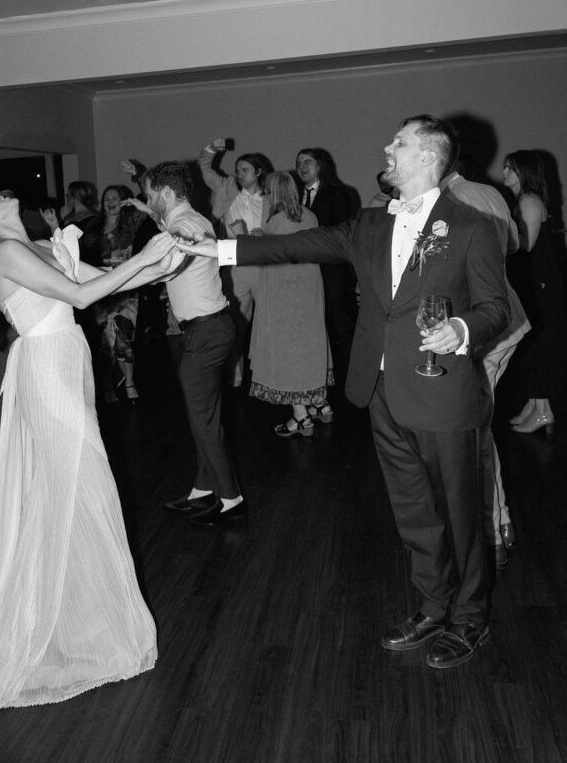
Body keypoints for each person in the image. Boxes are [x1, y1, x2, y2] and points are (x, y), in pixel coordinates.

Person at [182, 116, 510, 669]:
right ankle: (433, 606)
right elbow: (293, 246)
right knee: (413, 511)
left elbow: (496, 308)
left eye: (399, 142)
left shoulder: (473, 227)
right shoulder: (368, 224)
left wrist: (462, 331)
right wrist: (218, 250)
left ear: (429, 158)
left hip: (445, 394)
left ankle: (470, 618)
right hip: (381, 392)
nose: (387, 146)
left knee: (460, 513)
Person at [0, 190, 180, 717]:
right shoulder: (4, 253)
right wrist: (146, 256)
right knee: (80, 485)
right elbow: (84, 299)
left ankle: (75, 613)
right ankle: (69, 619)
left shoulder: (42, 244)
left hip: (67, 361)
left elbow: (96, 283)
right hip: (47, 371)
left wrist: (167, 259)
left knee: (75, 487)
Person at [144, 161, 245, 528]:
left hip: (205, 334)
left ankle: (231, 499)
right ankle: (203, 489)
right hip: (210, 330)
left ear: (167, 193)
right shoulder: (193, 218)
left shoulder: (184, 226)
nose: (148, 199)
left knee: (203, 422)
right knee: (205, 417)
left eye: (151, 194)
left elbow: (175, 256)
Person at [439, 167, 531, 569]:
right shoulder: (487, 192)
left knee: (473, 430)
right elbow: (512, 245)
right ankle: (500, 522)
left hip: (481, 329)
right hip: (507, 322)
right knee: (479, 425)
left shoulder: (447, 202)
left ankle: (493, 529)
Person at [248, 172, 333, 437]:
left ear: (274, 193)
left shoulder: (276, 220)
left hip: (284, 293)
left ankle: (300, 417)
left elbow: (268, 256)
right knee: (311, 343)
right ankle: (321, 404)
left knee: (288, 348)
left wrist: (251, 236)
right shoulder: (310, 216)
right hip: (309, 290)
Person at [502, 150, 567, 435]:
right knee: (533, 344)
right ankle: (535, 405)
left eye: (510, 169)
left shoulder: (528, 200)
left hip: (540, 285)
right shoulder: (525, 200)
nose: (504, 173)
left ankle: (544, 411)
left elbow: (525, 245)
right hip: (537, 283)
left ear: (523, 172)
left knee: (538, 345)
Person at [197, 139, 271, 387]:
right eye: (238, 170)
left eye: (245, 170)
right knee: (238, 321)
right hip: (235, 264)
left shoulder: (271, 196)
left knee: (268, 320)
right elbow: (205, 167)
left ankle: (267, 374)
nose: (239, 174)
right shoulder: (227, 186)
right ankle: (236, 373)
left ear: (258, 172)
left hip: (264, 265)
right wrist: (211, 149)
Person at [295, 147, 356, 387]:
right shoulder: (296, 195)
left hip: (332, 272)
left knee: (340, 324)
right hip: (306, 272)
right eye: (298, 163)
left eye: (307, 162)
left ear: (320, 165)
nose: (301, 167)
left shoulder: (338, 193)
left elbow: (341, 232)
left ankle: (352, 376)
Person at [80, 185, 146, 403]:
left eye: (115, 198)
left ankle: (129, 382)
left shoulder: (130, 224)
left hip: (126, 290)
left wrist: (137, 177)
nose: (110, 202)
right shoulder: (93, 227)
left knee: (123, 335)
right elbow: (78, 253)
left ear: (123, 202)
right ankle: (108, 386)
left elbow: (149, 207)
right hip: (101, 291)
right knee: (104, 343)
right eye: (107, 198)